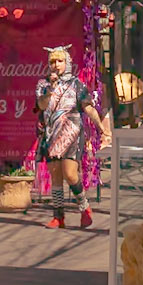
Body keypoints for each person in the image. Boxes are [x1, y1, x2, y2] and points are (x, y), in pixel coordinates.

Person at [35, 46, 106, 230]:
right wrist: (50, 90)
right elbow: (41, 105)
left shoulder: (76, 84)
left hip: (71, 132)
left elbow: (88, 107)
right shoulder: (43, 85)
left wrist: (101, 126)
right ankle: (58, 217)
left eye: (60, 61)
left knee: (70, 174)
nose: (56, 65)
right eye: (52, 61)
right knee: (56, 176)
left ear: (67, 63)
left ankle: (84, 208)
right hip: (51, 133)